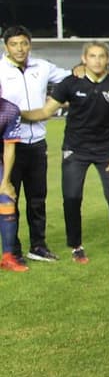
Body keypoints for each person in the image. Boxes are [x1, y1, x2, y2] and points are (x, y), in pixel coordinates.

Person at [22, 41, 109, 264]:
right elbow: (46, 111)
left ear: (107, 59)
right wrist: (17, 113)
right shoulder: (70, 83)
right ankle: (76, 247)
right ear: (84, 59)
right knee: (72, 197)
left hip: (107, 151)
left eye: (101, 56)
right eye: (92, 56)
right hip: (75, 149)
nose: (97, 60)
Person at [0, 25, 72, 262]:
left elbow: (69, 78)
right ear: (5, 46)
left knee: (37, 199)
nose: (20, 49)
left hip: (37, 143)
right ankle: (13, 250)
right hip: (9, 145)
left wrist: (79, 70)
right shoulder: (0, 69)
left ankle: (38, 246)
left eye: (24, 43)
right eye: (14, 44)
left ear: (29, 44)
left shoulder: (42, 67)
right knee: (10, 196)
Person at [0, 96, 25, 272]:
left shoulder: (10, 110)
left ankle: (8, 257)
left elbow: (9, 147)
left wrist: (6, 181)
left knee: (7, 201)